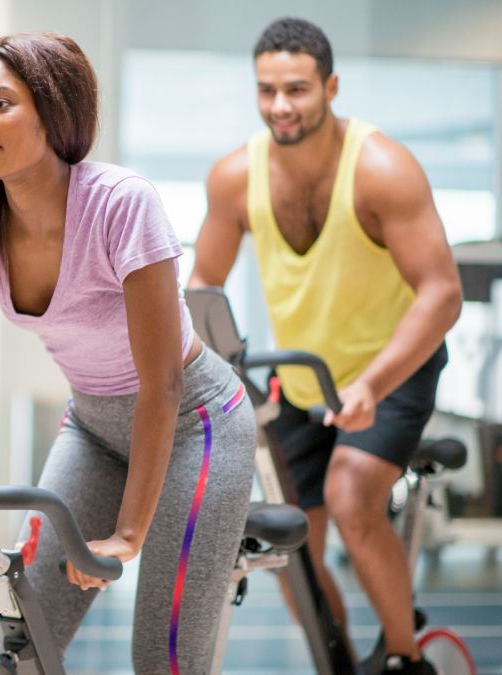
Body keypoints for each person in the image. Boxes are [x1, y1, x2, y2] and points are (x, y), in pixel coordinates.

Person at [0, 32, 257, 674]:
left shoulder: (120, 204)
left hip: (199, 427)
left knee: (163, 659)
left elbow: (162, 381)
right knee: (27, 640)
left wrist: (130, 531)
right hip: (92, 427)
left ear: (55, 113)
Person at [190, 17, 463, 674]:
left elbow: (441, 293)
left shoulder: (382, 169)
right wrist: (216, 357)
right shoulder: (235, 178)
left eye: (297, 89)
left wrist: (372, 383)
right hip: (300, 378)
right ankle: (334, 660)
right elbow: (203, 282)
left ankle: (404, 657)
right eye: (267, 90)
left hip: (392, 369)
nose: (281, 105)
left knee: (349, 495)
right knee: (286, 535)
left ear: (330, 86)